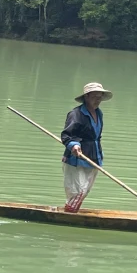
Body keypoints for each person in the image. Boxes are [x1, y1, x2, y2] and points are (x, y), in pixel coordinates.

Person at [60, 82, 112, 212]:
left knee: (85, 191)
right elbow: (67, 135)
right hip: (76, 158)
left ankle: (72, 212)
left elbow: (97, 137)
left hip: (93, 157)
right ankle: (69, 214)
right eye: (95, 97)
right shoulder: (76, 114)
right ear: (87, 97)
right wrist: (74, 145)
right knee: (77, 191)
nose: (98, 100)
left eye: (100, 97)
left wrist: (100, 154)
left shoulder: (99, 114)